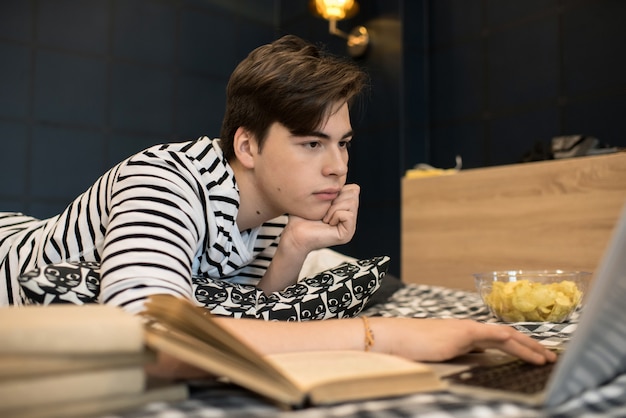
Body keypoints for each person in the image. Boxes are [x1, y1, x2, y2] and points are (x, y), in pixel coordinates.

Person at [0, 35, 556, 378]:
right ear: (247, 145)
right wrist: (382, 333)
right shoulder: (164, 180)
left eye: (343, 143)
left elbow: (244, 316)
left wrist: (292, 247)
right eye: (312, 143)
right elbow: (150, 341)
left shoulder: (269, 209)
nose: (337, 166)